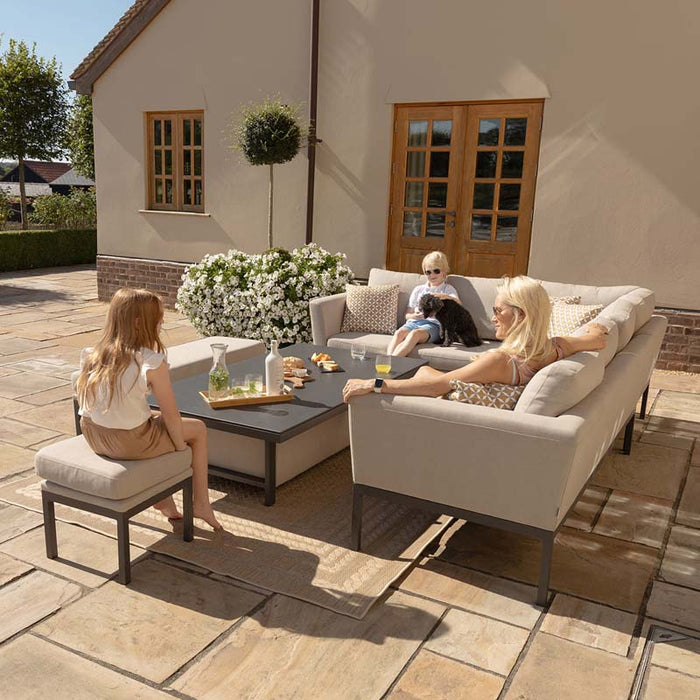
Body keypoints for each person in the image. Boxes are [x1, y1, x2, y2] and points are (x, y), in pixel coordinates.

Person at [76, 288, 222, 531]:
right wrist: (178, 448)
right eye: (157, 319)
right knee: (196, 430)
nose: (160, 323)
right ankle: (202, 504)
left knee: (152, 420)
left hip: (93, 434)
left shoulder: (92, 354)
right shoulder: (150, 361)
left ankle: (165, 502)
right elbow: (172, 415)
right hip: (127, 442)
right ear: (138, 323)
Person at [343, 275, 608, 402]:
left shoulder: (500, 361)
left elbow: (437, 388)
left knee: (421, 377)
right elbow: (597, 339)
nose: (493, 318)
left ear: (521, 316)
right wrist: (597, 329)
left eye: (498, 311)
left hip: (450, 413)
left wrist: (374, 382)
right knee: (423, 370)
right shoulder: (555, 348)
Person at [386, 250, 461, 357]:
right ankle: (387, 361)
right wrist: (414, 316)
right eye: (428, 272)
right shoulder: (418, 290)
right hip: (415, 322)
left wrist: (444, 297)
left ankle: (391, 363)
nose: (432, 275)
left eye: (436, 271)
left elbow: (458, 303)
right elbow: (407, 315)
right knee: (399, 333)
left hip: (434, 325)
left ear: (444, 271)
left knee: (414, 334)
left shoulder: (448, 289)